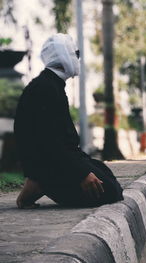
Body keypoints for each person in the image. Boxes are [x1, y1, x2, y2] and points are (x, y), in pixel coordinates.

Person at [14, 34, 124, 208]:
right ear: (63, 56)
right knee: (109, 191)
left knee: (106, 176)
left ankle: (40, 182)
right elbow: (49, 142)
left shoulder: (51, 84)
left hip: (58, 159)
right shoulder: (46, 88)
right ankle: (37, 184)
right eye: (75, 54)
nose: (77, 59)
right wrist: (80, 173)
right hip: (49, 165)